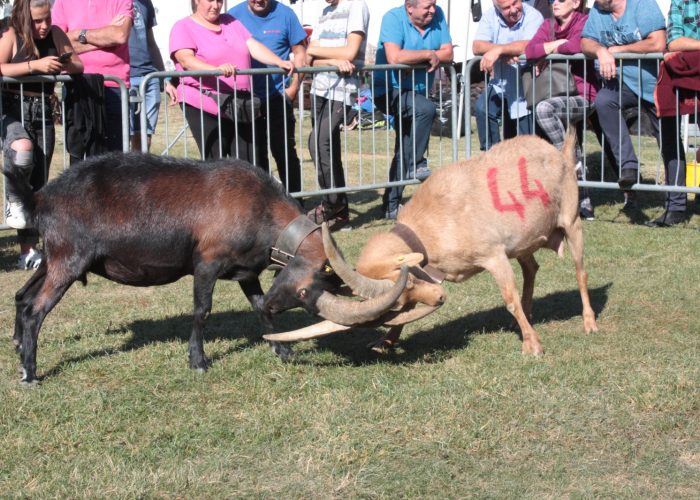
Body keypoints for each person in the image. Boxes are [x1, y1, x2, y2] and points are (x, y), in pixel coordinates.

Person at [581, 0, 687, 227]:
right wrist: (600, 50)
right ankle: (628, 166)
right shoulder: (599, 11)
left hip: (657, 84)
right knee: (604, 100)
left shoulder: (642, 5)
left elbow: (657, 42)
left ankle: (676, 206)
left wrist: (616, 50)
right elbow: (585, 41)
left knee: (669, 143)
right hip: (624, 84)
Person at [1, 0, 83, 269]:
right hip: (13, 107)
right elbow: (1, 67)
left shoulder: (57, 34)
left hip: (44, 112)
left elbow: (78, 66)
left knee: (39, 182)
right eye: (37, 20)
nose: (44, 25)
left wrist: (64, 63)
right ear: (25, 17)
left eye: (47, 18)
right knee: (22, 151)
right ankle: (12, 201)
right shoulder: (11, 33)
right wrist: (34, 66)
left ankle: (28, 251)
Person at [169, 0, 294, 162]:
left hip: (241, 104)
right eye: (210, 0)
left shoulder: (231, 22)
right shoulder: (183, 27)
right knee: (216, 165)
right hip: (205, 105)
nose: (216, 5)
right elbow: (186, 60)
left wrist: (278, 61)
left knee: (248, 163)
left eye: (220, 1)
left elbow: (252, 46)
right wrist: (215, 70)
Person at [374, 0, 453, 220]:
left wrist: (418, 57)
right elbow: (394, 57)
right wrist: (428, 54)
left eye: (434, 5)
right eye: (427, 6)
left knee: (406, 145)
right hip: (390, 90)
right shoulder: (392, 18)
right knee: (426, 109)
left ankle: (391, 205)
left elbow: (448, 53)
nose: (433, 10)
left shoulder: (438, 17)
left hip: (416, 93)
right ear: (410, 7)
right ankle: (416, 164)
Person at [525, 0, 599, 220]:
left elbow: (579, 45)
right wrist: (557, 44)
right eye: (552, 0)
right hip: (555, 94)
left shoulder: (586, 21)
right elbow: (530, 50)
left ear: (576, 3)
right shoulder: (548, 25)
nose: (554, 3)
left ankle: (571, 170)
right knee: (570, 144)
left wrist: (551, 49)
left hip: (583, 95)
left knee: (545, 111)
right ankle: (582, 201)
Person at [228, 0, 307, 195]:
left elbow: (300, 53)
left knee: (284, 151)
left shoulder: (286, 14)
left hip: (278, 97)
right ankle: (264, 207)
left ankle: (295, 203)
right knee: (255, 156)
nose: (259, 1)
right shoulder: (232, 15)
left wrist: (293, 89)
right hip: (246, 99)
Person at [305, 0, 369, 230]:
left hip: (342, 91)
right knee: (327, 148)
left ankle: (332, 205)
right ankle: (339, 212)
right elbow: (308, 58)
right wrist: (332, 59)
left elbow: (350, 52)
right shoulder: (324, 12)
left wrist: (315, 51)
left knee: (318, 143)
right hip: (319, 88)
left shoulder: (356, 6)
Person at [51, 0, 133, 153]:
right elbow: (57, 45)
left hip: (114, 87)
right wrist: (105, 37)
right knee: (80, 155)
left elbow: (120, 35)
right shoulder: (62, 2)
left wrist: (78, 35)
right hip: (76, 85)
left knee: (114, 157)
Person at [472, 0, 543, 152]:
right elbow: (477, 45)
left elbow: (530, 44)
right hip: (499, 83)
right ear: (496, 8)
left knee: (528, 142)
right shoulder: (489, 16)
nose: (513, 9)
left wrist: (499, 51)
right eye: (506, 7)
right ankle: (492, 157)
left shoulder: (533, 16)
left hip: (526, 86)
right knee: (482, 109)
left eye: (515, 3)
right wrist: (506, 51)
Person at [128, 0, 177, 152]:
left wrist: (164, 79)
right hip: (125, 76)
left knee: (145, 137)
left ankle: (140, 174)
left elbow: (151, 42)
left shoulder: (145, 3)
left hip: (150, 76)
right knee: (125, 135)